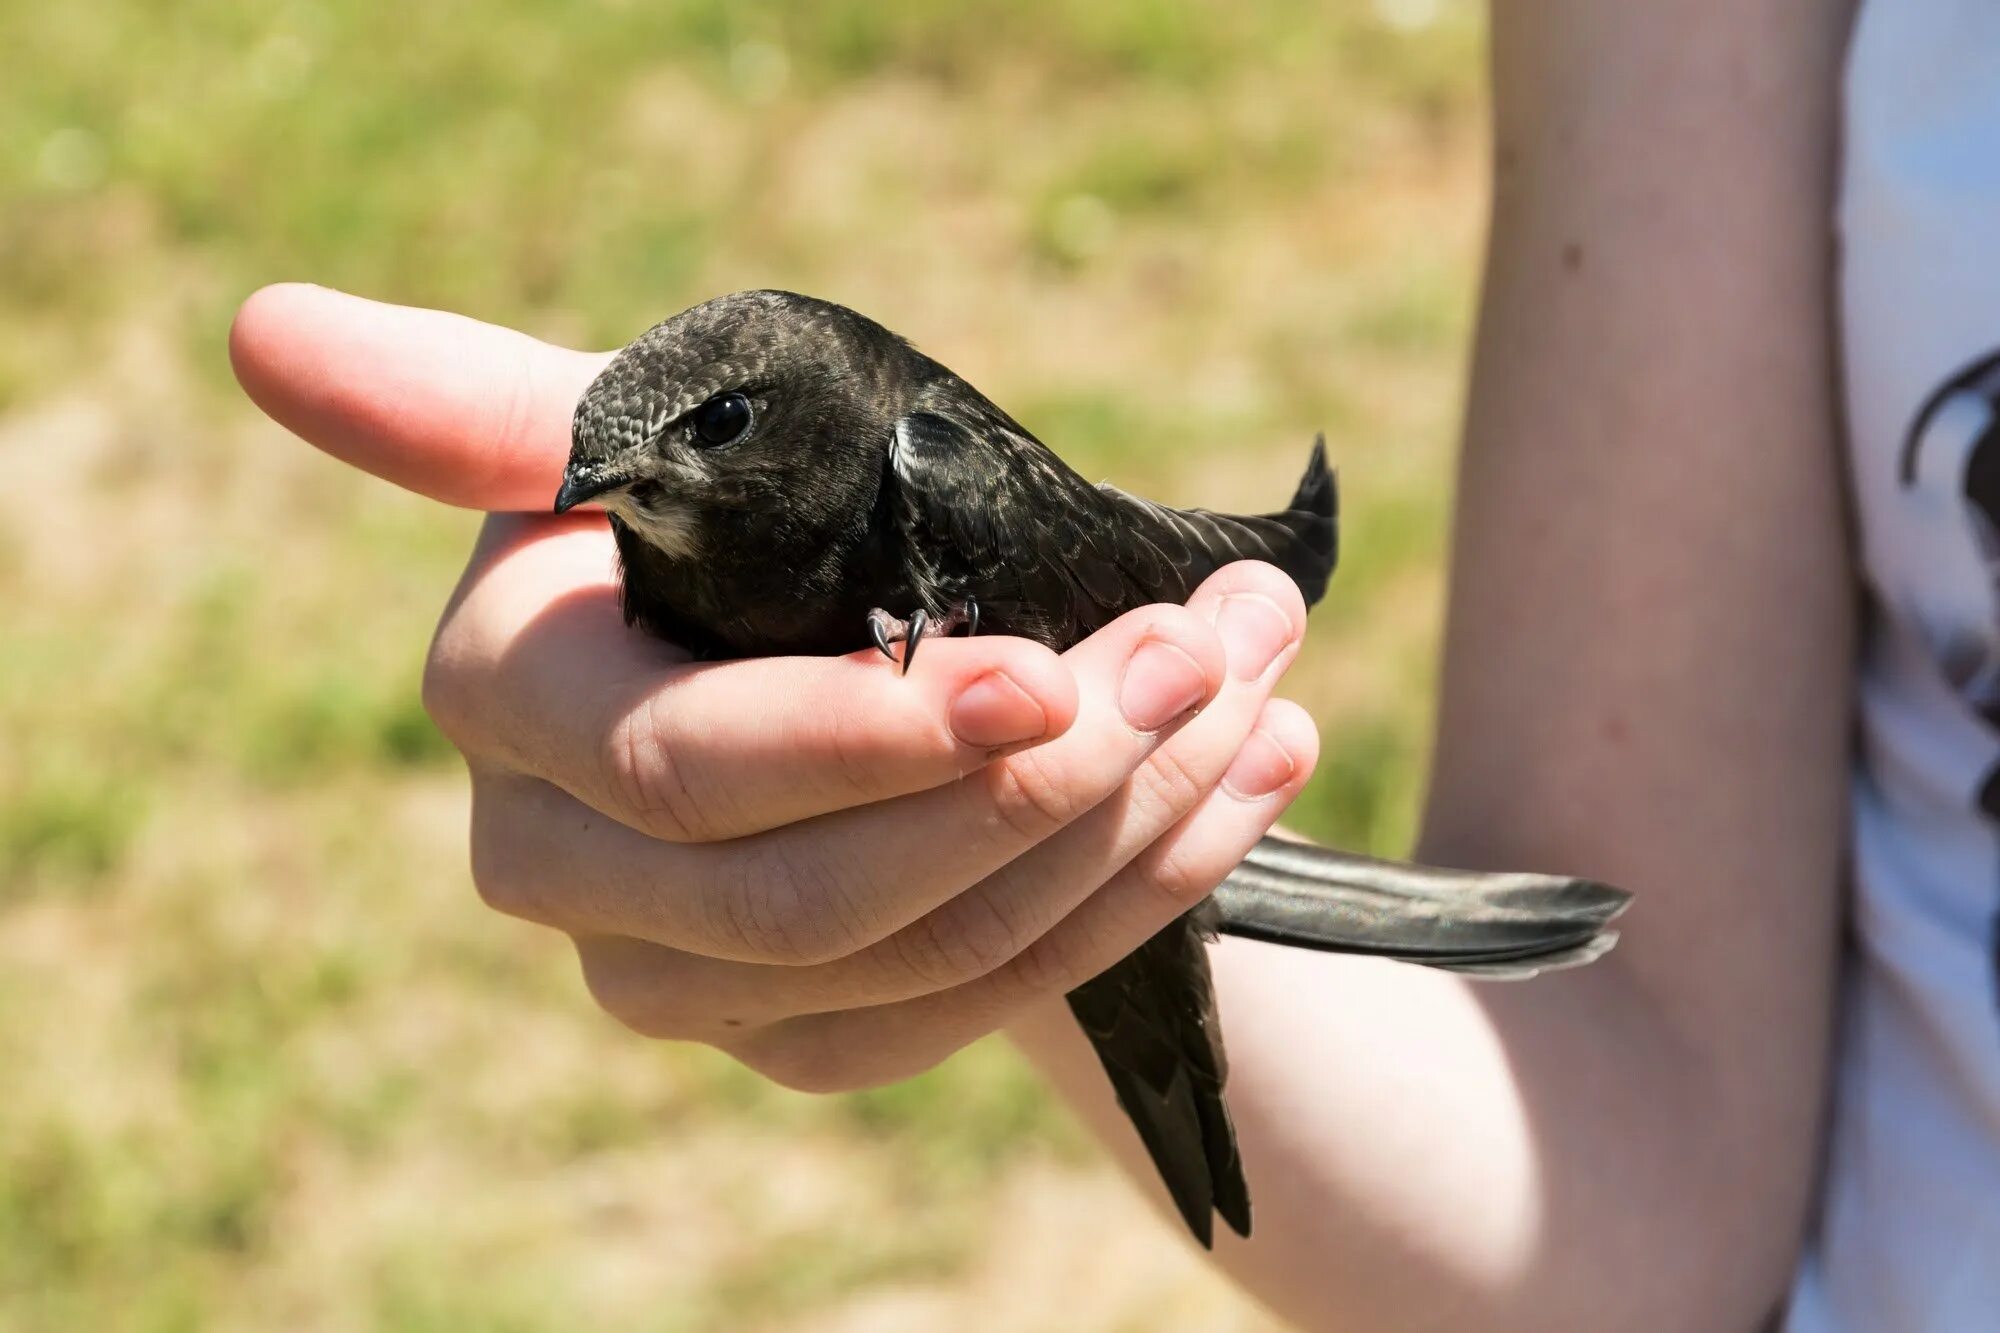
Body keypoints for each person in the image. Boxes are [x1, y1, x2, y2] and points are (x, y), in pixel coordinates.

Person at [227, 3, 2000, 1327]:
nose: (640, 506)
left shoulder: (926, 472)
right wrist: (909, 868)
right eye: (622, 486)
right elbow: (1627, 1156)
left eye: (692, 451)